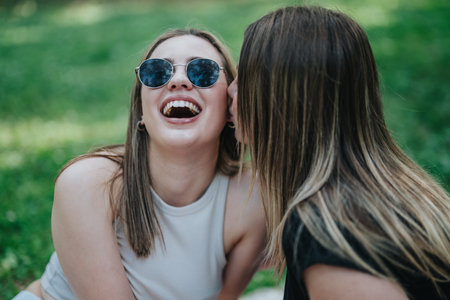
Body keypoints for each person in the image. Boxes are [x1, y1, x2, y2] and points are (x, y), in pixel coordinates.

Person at [14, 28, 266, 300]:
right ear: (141, 110)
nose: (178, 80)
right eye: (157, 72)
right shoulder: (88, 183)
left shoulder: (252, 202)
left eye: (203, 71)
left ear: (230, 104)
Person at [227, 6, 450, 300]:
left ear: (279, 101)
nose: (230, 89)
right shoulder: (396, 189)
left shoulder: (328, 234)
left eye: (242, 79)